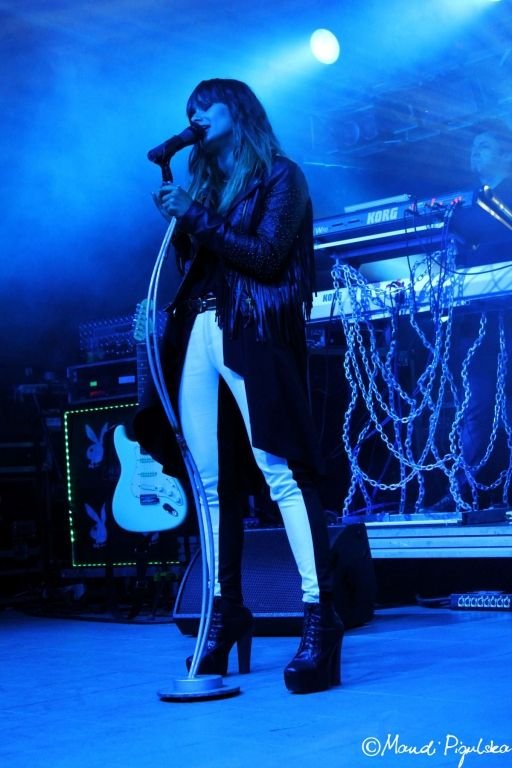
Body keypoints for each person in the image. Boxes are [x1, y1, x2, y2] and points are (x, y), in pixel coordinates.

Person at [134, 78, 344, 694]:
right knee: (209, 484)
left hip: (251, 328)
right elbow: (201, 265)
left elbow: (267, 256)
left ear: (239, 109)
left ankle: (320, 618)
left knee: (281, 470)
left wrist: (194, 215)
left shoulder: (282, 176)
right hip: (198, 330)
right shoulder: (204, 185)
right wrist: (186, 220)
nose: (195, 113)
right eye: (188, 108)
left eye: (207, 103)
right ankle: (224, 615)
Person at [434, 119, 512, 511]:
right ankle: (465, 491)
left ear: (507, 155)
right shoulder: (465, 204)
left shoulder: (503, 198)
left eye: (484, 146)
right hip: (481, 320)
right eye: (473, 146)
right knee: (476, 405)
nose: (474, 152)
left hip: (508, 313)